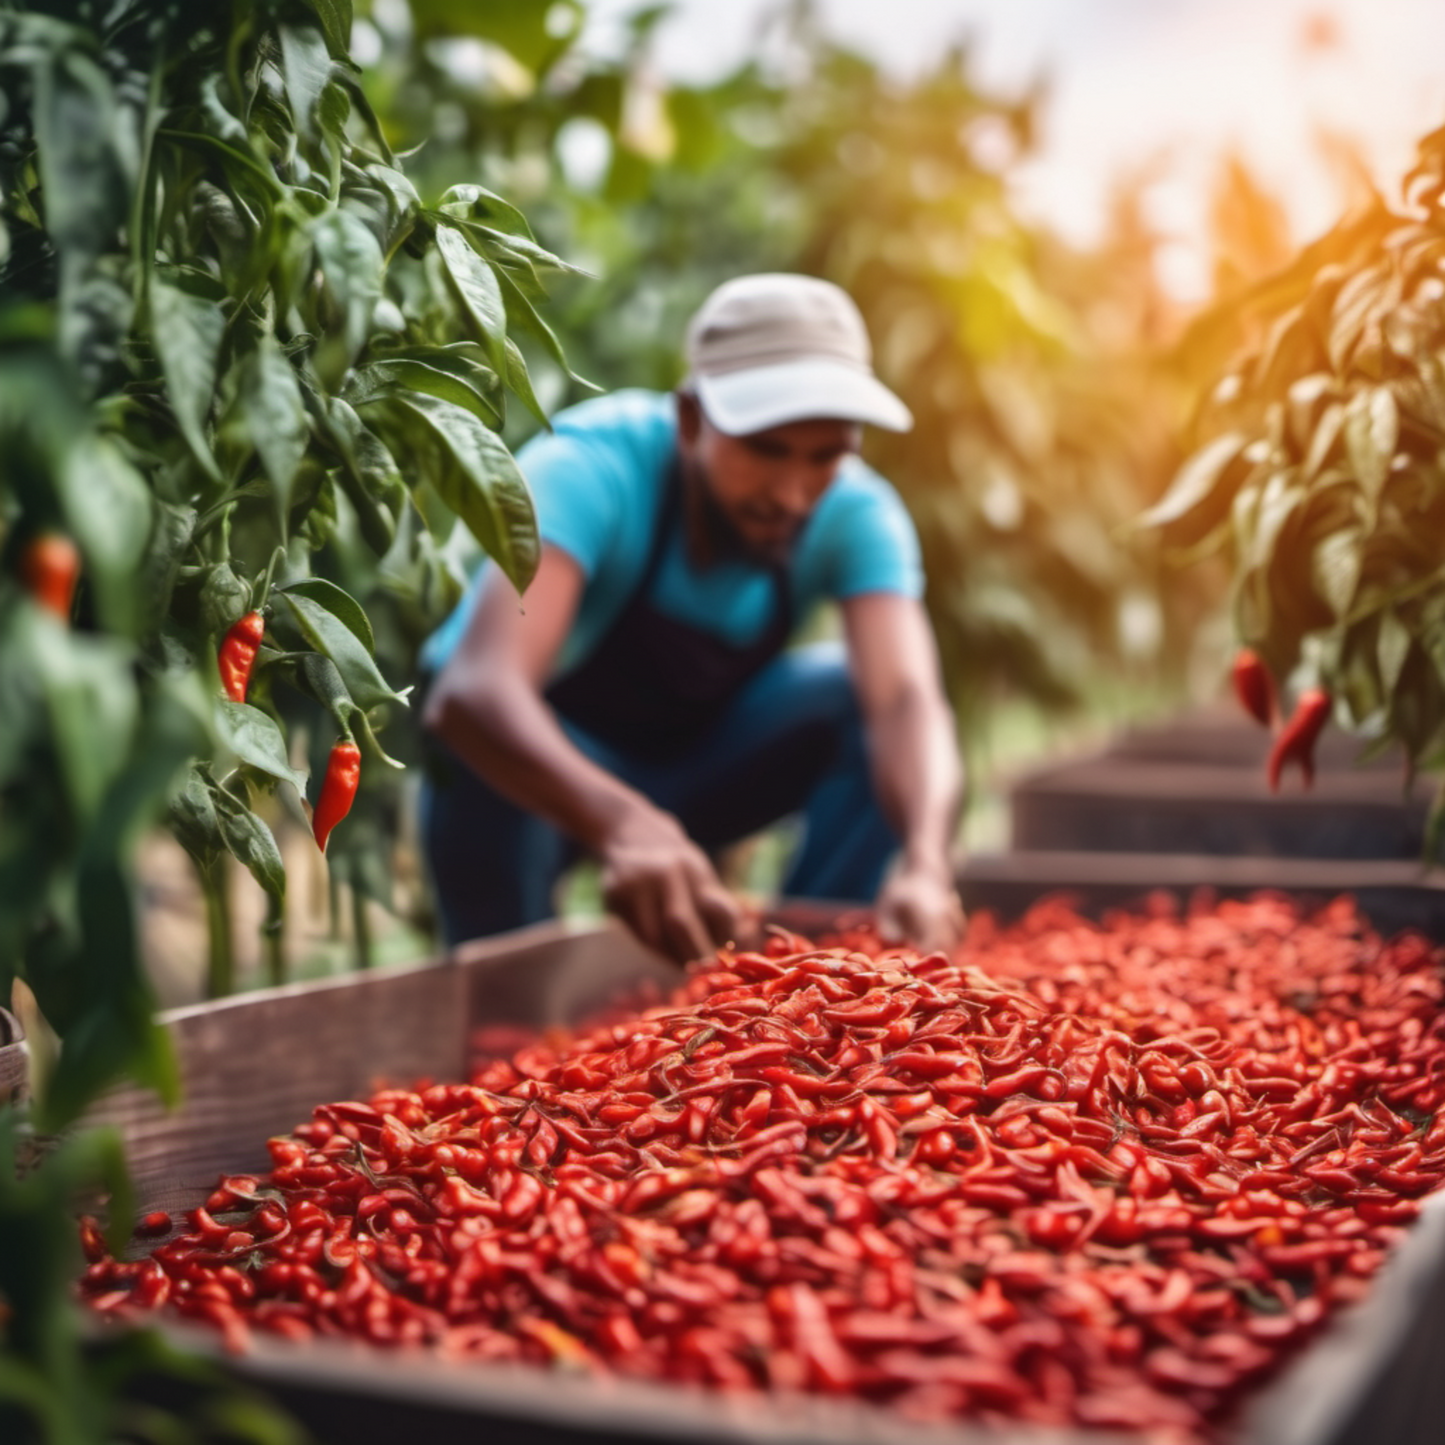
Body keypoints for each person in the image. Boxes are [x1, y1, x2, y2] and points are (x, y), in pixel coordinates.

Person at [419, 273, 965, 964]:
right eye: (763, 449)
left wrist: (925, 858)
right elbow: (471, 690)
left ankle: (809, 985)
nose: (792, 493)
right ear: (689, 420)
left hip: (699, 765)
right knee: (507, 1014)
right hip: (541, 776)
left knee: (850, 694)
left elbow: (904, 700)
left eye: (825, 455)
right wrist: (621, 820)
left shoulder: (856, 512)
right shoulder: (591, 466)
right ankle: (507, 997)